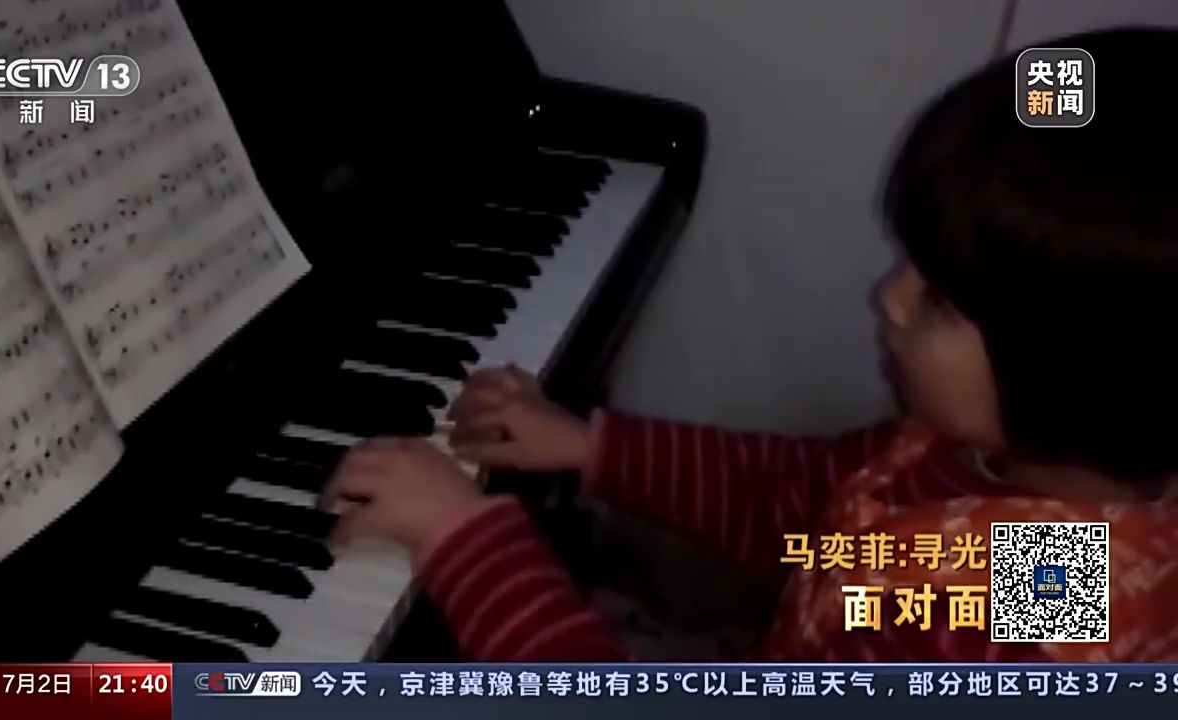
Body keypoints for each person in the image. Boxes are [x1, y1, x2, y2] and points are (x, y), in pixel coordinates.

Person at [319, 27, 1178, 662]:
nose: (889, 297)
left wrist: (463, 540)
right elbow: (807, 505)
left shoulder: (1018, 627)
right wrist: (591, 447)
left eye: (941, 301)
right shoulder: (1000, 462)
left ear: (1080, 372)